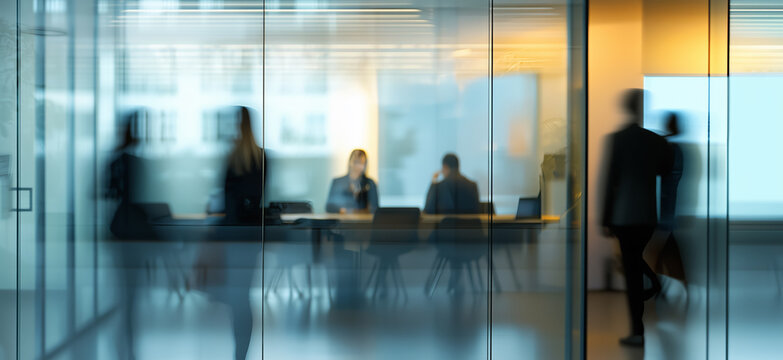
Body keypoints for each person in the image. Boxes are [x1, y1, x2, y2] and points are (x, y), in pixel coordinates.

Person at [602, 89, 673, 347]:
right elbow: (665, 171)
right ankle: (654, 286)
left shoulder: (617, 139)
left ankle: (637, 331)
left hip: (623, 216)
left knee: (631, 271)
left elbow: (609, 181)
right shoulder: (656, 142)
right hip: (646, 216)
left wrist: (604, 217)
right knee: (634, 262)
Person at [326, 149, 379, 214]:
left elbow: (375, 208)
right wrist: (343, 211)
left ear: (365, 165)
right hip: (343, 221)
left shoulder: (370, 184)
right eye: (355, 162)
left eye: (361, 163)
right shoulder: (338, 182)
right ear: (350, 162)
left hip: (364, 222)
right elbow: (329, 206)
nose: (357, 166)